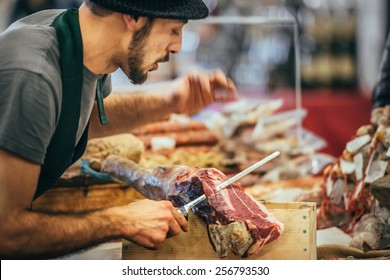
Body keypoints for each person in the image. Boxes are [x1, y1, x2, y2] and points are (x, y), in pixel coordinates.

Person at [0, 0, 237, 259]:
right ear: (133, 16)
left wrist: (171, 101)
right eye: (173, 30)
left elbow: (81, 116)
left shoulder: (83, 47)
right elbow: (7, 232)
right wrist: (120, 220)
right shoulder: (33, 74)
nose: (177, 47)